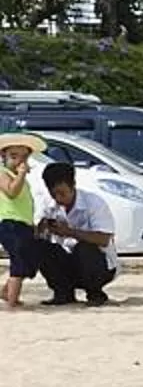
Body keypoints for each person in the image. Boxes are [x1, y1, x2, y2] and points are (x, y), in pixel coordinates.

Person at [33, 160, 117, 306]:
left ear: (73, 185)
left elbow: (104, 239)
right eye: (54, 194)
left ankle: (95, 293)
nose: (59, 199)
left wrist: (70, 232)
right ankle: (62, 293)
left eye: (62, 193)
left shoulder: (94, 203)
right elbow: (38, 236)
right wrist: (43, 228)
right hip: (68, 264)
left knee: (85, 248)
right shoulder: (49, 205)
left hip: (99, 266)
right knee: (41, 248)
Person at [1, 130, 42, 312]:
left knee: (29, 261)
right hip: (9, 223)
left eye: (23, 157)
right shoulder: (3, 173)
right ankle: (12, 301)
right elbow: (11, 192)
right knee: (18, 261)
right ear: (3, 156)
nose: (18, 161)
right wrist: (21, 175)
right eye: (13, 156)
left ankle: (6, 291)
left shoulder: (23, 179)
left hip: (23, 224)